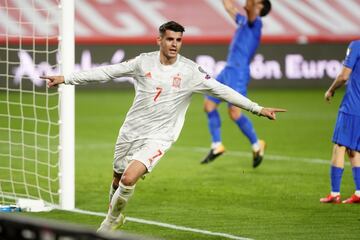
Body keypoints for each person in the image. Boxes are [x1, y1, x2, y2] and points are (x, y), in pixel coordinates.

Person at [42, 21, 285, 231]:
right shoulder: (142, 63)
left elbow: (222, 91)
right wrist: (67, 78)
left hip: (160, 136)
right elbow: (108, 72)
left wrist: (257, 108)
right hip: (131, 131)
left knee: (128, 179)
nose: (174, 44)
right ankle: (115, 215)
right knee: (117, 178)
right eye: (170, 39)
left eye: (178, 40)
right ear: (158, 40)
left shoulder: (191, 71)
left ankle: (110, 222)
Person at [201, 0, 272, 168]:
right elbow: (229, 7)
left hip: (239, 72)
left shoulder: (256, 23)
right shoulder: (243, 21)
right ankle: (217, 145)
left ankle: (257, 144)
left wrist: (253, 5)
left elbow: (251, 8)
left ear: (259, 6)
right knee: (209, 105)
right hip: (228, 70)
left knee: (234, 112)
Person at [320, 40, 360, 204]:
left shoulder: (356, 45)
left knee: (339, 146)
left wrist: (331, 90)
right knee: (355, 149)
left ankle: (334, 193)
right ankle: (359, 192)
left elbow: (344, 76)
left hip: (352, 106)